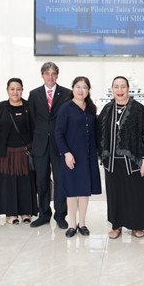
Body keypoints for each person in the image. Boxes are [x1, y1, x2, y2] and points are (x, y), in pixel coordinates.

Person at [97, 76, 144, 239]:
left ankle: (136, 225)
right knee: (115, 194)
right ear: (112, 89)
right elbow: (99, 134)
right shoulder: (107, 109)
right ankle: (117, 225)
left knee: (134, 194)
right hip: (112, 162)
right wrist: (102, 154)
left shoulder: (139, 110)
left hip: (133, 162)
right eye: (116, 87)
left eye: (123, 87)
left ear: (128, 88)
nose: (120, 90)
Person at [55, 76, 102, 238]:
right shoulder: (65, 108)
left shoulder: (91, 108)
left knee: (84, 190)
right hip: (71, 155)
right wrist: (66, 153)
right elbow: (58, 133)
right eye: (78, 87)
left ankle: (82, 224)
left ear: (88, 90)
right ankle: (72, 224)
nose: (81, 90)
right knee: (71, 190)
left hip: (87, 155)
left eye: (84, 87)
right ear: (72, 89)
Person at [28, 62, 72, 229]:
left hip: (59, 145)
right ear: (42, 75)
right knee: (42, 181)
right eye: (47, 73)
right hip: (40, 145)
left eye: (53, 73)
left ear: (57, 75)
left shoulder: (67, 93)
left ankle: (60, 215)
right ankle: (43, 214)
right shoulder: (34, 94)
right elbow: (32, 120)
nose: (50, 77)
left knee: (61, 181)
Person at [0, 78, 38, 225]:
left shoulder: (29, 107)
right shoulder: (0, 108)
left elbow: (35, 129)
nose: (15, 92)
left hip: (25, 153)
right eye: (12, 89)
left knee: (25, 182)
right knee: (7, 183)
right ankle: (10, 214)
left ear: (22, 90)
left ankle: (25, 212)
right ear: (7, 90)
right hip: (5, 154)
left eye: (18, 89)